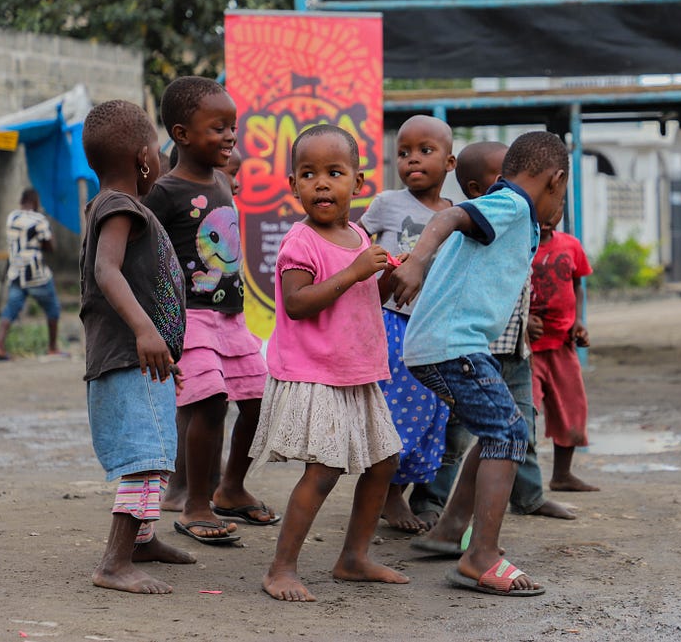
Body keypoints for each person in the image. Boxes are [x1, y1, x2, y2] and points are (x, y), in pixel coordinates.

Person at [392, 130, 570, 596]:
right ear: (556, 179)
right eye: (564, 192)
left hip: (443, 345)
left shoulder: (511, 212)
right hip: (452, 345)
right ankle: (482, 556)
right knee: (508, 432)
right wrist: (415, 262)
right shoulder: (510, 204)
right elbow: (450, 214)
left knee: (497, 428)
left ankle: (452, 530)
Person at [248, 125, 408, 602]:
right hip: (316, 371)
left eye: (334, 173)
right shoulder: (301, 242)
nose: (321, 183)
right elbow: (297, 304)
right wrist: (356, 270)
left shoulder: (358, 234)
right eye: (309, 174)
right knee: (324, 470)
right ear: (293, 185)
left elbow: (362, 298)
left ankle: (354, 558)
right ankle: (280, 568)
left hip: (356, 371)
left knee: (384, 461)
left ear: (358, 184)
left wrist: (385, 280)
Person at [144, 76, 276, 545]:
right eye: (217, 127)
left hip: (231, 317)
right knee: (209, 403)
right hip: (189, 317)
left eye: (232, 126)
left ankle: (232, 488)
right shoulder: (162, 192)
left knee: (260, 403)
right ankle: (196, 503)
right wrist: (153, 325)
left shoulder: (223, 181)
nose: (230, 136)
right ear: (181, 135)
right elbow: (147, 256)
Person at [79, 99, 194, 593]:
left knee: (158, 450)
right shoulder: (119, 207)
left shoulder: (114, 206)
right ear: (144, 157)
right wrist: (147, 332)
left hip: (144, 362)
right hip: (128, 357)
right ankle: (114, 562)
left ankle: (143, 541)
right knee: (145, 458)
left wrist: (163, 352)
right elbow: (107, 271)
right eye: (161, 151)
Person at [359, 114, 455, 532]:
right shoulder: (387, 204)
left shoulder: (456, 215)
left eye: (425, 151)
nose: (412, 160)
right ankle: (389, 494)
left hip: (434, 330)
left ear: (449, 163)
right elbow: (355, 240)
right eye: (403, 153)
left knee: (431, 414)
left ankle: (397, 488)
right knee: (396, 410)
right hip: (392, 323)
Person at [528, 214, 598, 492]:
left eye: (555, 208)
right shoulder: (519, 248)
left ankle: (562, 475)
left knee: (572, 409)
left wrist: (578, 322)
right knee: (524, 416)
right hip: (526, 350)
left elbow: (578, 285)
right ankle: (522, 484)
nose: (548, 216)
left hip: (562, 344)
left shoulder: (570, 245)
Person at [0, 188, 65, 360]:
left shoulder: (12, 217)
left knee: (10, 309)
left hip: (16, 273)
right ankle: (53, 348)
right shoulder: (39, 220)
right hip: (35, 274)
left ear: (22, 201)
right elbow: (51, 247)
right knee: (53, 309)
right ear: (36, 202)